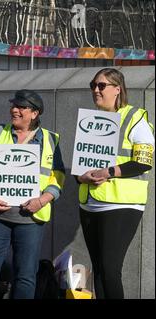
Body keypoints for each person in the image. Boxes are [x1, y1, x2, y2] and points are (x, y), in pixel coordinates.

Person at [0, 89, 65, 299]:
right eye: (13, 106)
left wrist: (41, 201)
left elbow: (58, 178)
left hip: (31, 218)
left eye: (21, 107)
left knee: (25, 276)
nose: (14, 110)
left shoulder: (50, 140)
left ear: (35, 113)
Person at [77, 68, 154, 299]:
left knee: (111, 270)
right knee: (99, 270)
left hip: (122, 204)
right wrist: (81, 177)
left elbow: (144, 161)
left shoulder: (135, 117)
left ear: (117, 89)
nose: (96, 90)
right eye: (93, 85)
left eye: (101, 86)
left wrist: (108, 172)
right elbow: (82, 163)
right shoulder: (91, 121)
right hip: (90, 203)